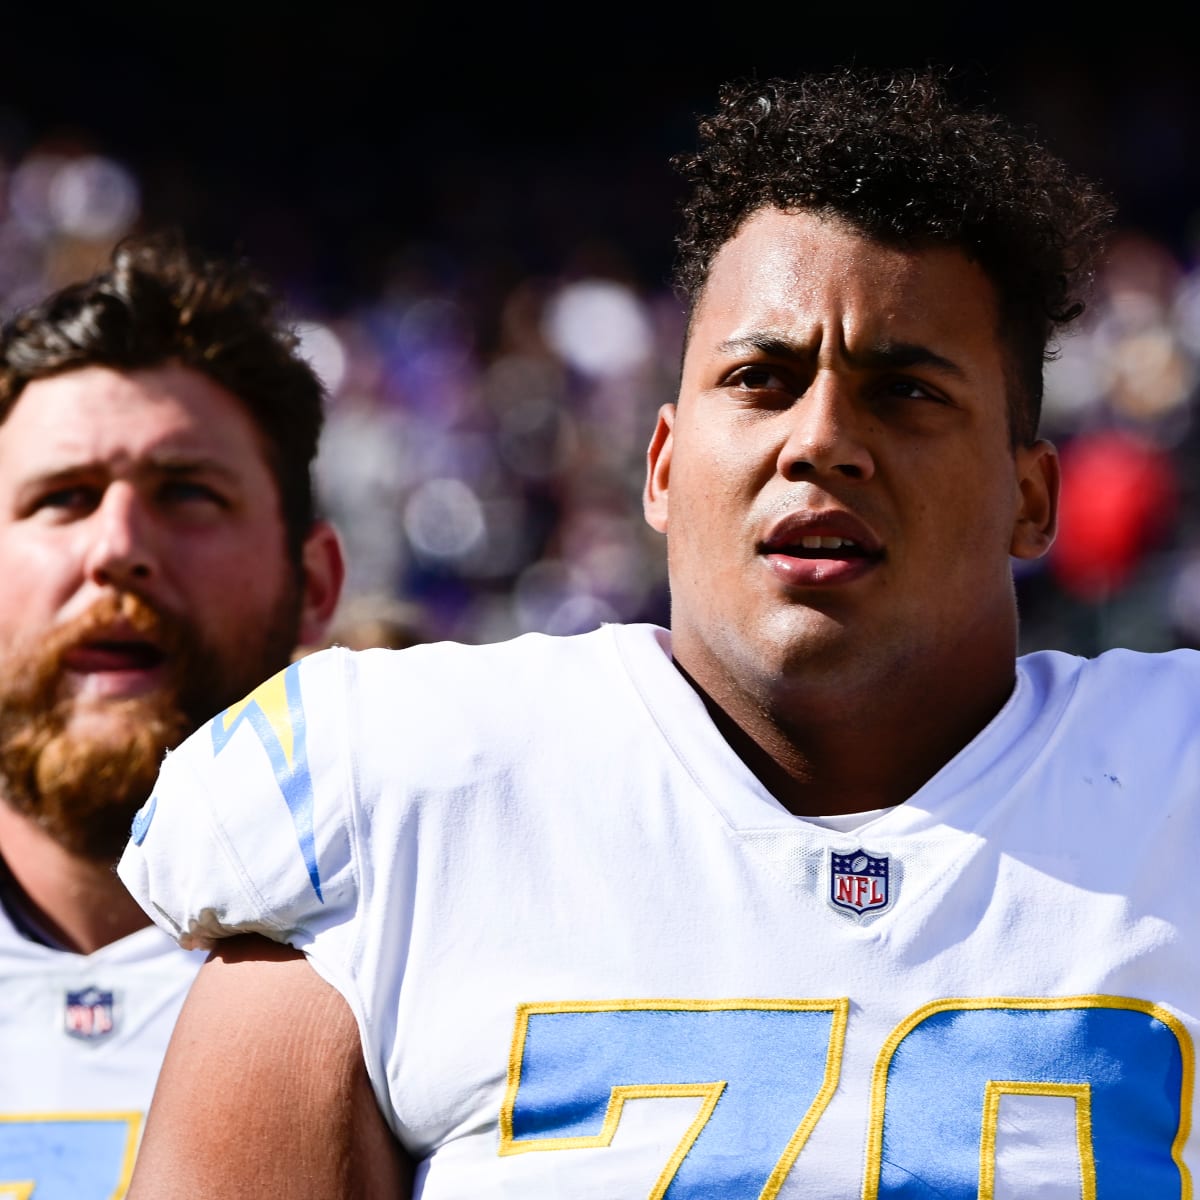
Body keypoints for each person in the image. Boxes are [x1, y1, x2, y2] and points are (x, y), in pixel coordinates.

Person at [118, 68, 1197, 1198]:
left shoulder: (1177, 777)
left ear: (1032, 497)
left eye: (907, 393)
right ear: (665, 468)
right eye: (762, 379)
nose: (821, 440)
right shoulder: (399, 790)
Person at [0, 234, 344, 1197]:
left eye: (186, 493)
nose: (115, 548)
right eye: (62, 499)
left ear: (313, 583)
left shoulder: (411, 960)